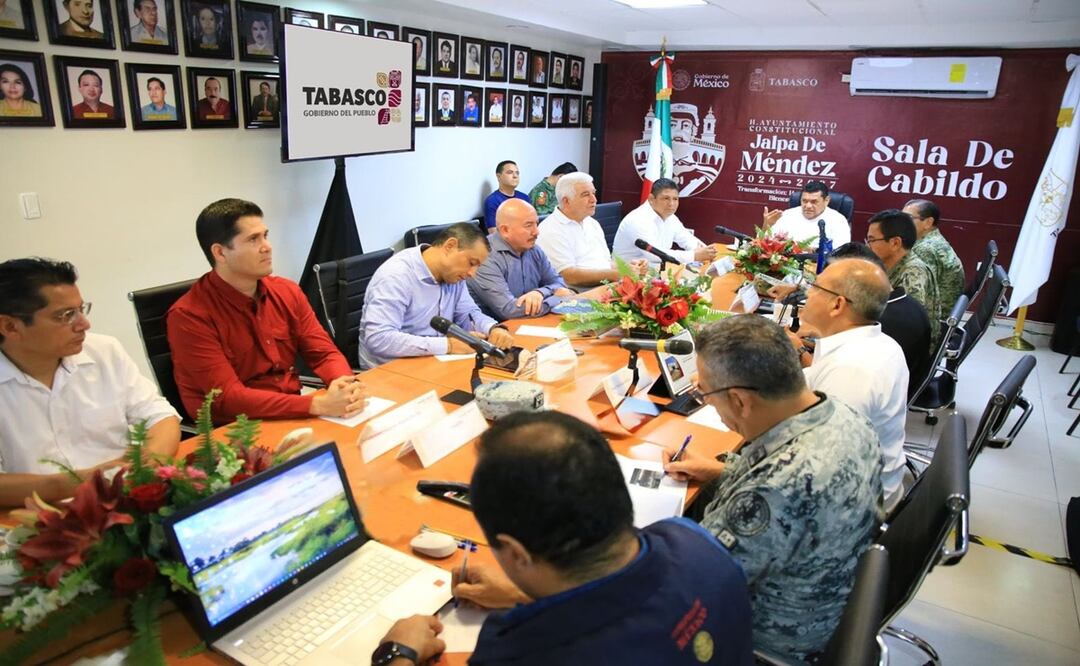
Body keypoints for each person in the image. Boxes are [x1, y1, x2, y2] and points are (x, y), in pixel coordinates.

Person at [376, 411, 754, 665]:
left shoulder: (521, 649)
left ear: (517, 553)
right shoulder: (693, 540)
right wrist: (528, 595)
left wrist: (397, 653)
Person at [663, 315, 882, 661]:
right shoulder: (844, 416)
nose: (708, 403)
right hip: (827, 599)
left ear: (740, 401)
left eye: (705, 393)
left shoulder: (773, 491)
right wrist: (718, 470)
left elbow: (687, 581)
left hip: (764, 639)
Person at [167, 199, 366, 424]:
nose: (267, 247)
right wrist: (316, 405)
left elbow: (324, 354)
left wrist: (345, 386)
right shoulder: (189, 316)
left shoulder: (286, 291)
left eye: (265, 235)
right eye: (253, 239)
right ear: (220, 253)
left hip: (293, 412)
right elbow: (229, 398)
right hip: (237, 430)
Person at [0, 258, 180, 507]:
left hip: (127, 499)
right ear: (10, 326)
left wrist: (150, 459)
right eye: (65, 316)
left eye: (81, 309)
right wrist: (76, 482)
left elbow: (160, 416)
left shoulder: (104, 351)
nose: (84, 324)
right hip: (36, 514)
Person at [786, 258, 909, 512]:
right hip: (857, 481)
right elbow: (810, 384)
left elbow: (819, 470)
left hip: (848, 506)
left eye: (815, 287)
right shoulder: (879, 343)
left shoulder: (850, 370)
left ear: (837, 304)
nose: (807, 293)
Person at [358, 223, 514, 368]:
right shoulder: (396, 276)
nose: (472, 273)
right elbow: (378, 338)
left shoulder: (454, 275)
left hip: (433, 362)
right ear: (450, 246)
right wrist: (448, 345)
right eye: (472, 263)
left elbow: (468, 314)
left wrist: (493, 329)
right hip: (389, 370)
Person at [536, 172, 647, 288]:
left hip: (606, 287)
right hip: (577, 294)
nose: (594, 199)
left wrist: (629, 267)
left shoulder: (592, 223)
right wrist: (617, 274)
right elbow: (569, 276)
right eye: (585, 195)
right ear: (566, 201)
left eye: (593, 193)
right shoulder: (551, 230)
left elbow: (605, 264)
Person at [468, 199, 575, 320]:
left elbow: (559, 283)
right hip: (498, 328)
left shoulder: (534, 249)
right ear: (505, 230)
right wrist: (558, 298)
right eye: (528, 225)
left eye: (536, 224)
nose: (536, 232)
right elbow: (509, 310)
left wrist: (540, 292)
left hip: (535, 322)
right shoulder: (485, 256)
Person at [866, 209, 941, 351]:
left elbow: (905, 325)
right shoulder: (891, 264)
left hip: (904, 351)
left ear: (895, 243)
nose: (867, 246)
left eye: (872, 240)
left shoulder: (913, 273)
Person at [613, 178, 716, 268]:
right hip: (626, 275)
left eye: (675, 199)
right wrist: (694, 255)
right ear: (651, 199)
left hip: (655, 272)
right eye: (666, 198)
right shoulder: (638, 219)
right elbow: (655, 255)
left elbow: (686, 239)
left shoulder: (670, 217)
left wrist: (706, 252)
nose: (671, 204)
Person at [905, 199, 965, 317]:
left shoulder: (926, 249)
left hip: (933, 318)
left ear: (928, 222)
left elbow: (916, 295)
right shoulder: (933, 239)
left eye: (908, 218)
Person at [764, 180, 850, 249]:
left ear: (826, 200)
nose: (808, 206)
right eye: (804, 201)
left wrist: (805, 249)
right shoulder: (787, 214)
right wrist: (767, 225)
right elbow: (764, 244)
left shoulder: (838, 220)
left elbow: (840, 253)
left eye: (814, 202)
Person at [483, 161, 531, 228]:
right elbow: (493, 231)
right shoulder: (492, 201)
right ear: (498, 176)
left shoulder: (525, 198)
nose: (515, 176)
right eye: (510, 172)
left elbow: (533, 224)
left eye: (517, 173)